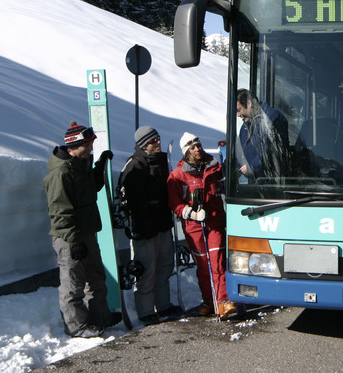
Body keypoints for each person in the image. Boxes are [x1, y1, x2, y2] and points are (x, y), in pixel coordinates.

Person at [43, 121, 121, 338]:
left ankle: (100, 316)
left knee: (95, 275)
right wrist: (74, 240)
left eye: (91, 144)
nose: (90, 149)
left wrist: (100, 166)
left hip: (86, 231)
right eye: (86, 145)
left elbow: (91, 188)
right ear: (73, 145)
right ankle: (76, 326)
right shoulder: (61, 173)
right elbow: (59, 212)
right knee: (73, 282)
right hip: (70, 236)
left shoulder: (80, 164)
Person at [167, 132, 237, 319]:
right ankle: (208, 299)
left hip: (214, 222)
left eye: (198, 145)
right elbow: (174, 202)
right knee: (203, 265)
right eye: (192, 147)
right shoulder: (178, 175)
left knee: (218, 262)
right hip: (194, 226)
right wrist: (191, 213)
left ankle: (223, 301)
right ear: (185, 152)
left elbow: (226, 186)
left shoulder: (214, 167)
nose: (197, 149)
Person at [118, 126, 182, 325]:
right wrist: (145, 228)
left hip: (163, 224)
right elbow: (135, 203)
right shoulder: (135, 165)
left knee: (164, 266)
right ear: (144, 144)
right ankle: (145, 311)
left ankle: (163, 305)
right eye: (153, 141)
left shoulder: (162, 161)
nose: (158, 143)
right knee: (147, 269)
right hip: (146, 229)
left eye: (158, 139)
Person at [236, 88, 289, 181]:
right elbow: (239, 152)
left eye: (239, 109)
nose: (238, 114)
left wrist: (251, 167)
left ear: (249, 103)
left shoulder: (271, 118)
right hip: (256, 182)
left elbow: (271, 150)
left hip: (273, 182)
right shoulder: (245, 127)